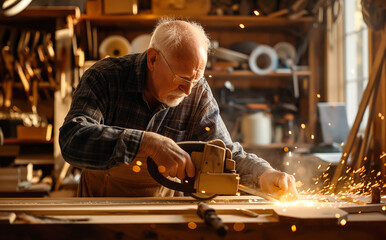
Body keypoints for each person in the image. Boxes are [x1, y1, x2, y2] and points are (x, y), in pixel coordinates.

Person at [59, 18, 298, 200]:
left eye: (196, 80)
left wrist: (263, 174)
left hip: (164, 213)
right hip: (100, 208)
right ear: (152, 60)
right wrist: (147, 143)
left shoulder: (196, 91)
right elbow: (72, 139)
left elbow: (224, 152)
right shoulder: (105, 77)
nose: (188, 91)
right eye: (182, 78)